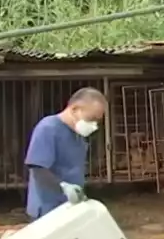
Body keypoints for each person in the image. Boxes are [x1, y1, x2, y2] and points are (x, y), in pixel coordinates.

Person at [24, 87, 106, 220]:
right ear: (74, 109)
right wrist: (63, 187)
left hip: (70, 207)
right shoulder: (48, 129)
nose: (94, 125)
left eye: (97, 121)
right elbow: (37, 168)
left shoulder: (77, 134)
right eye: (91, 118)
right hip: (48, 209)